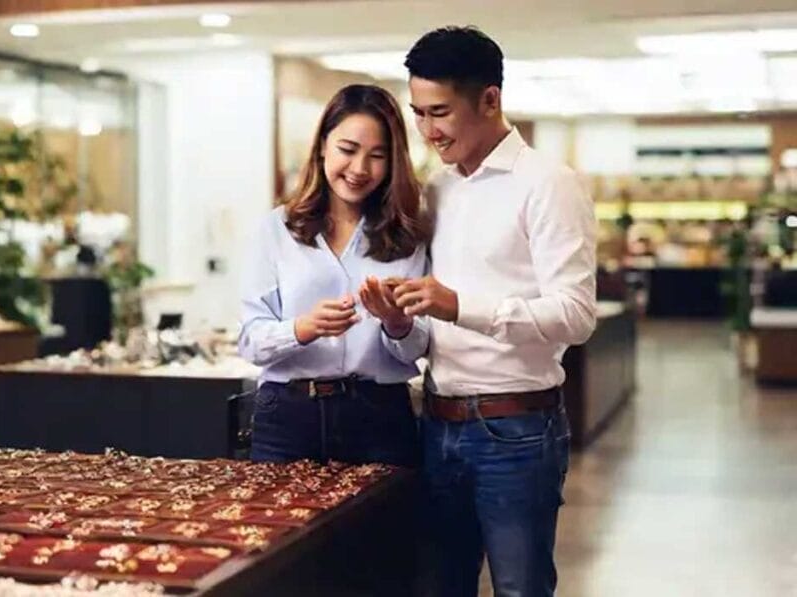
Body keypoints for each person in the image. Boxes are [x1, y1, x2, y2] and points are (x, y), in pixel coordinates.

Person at [393, 26, 598, 596]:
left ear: (490, 100)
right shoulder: (437, 187)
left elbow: (576, 315)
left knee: (520, 588)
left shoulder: (549, 185)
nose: (429, 131)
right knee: (439, 587)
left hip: (516, 429)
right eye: (418, 113)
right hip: (436, 423)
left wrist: (461, 307)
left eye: (441, 112)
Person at [238, 84, 428, 468]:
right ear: (323, 144)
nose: (360, 169)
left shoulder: (408, 237)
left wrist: (396, 323)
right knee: (280, 528)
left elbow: (418, 350)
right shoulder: (277, 229)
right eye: (347, 150)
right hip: (287, 417)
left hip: (380, 417)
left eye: (377, 156)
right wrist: (302, 328)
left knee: (380, 530)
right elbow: (250, 343)